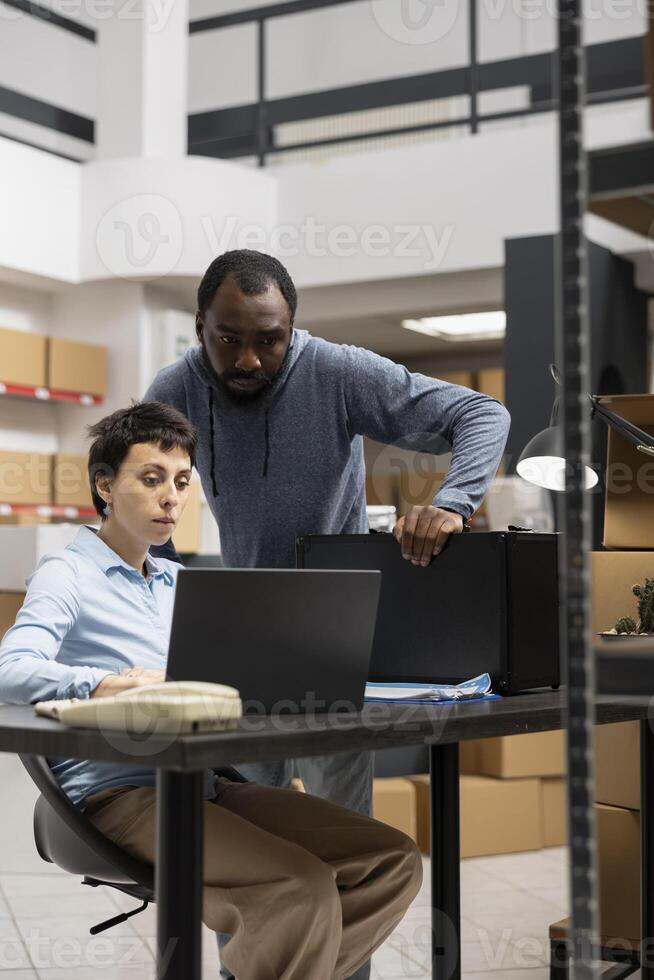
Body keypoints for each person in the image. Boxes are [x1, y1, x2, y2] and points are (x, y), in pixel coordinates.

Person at [145, 250, 510, 978]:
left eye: (269, 338)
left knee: (348, 846)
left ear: (293, 327)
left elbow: (483, 413)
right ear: (200, 326)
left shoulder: (338, 372)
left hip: (339, 637)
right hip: (243, 637)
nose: (249, 358)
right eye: (229, 338)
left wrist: (451, 503)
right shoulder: (175, 388)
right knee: (248, 847)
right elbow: (135, 482)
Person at [0, 401, 422, 980]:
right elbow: (12, 669)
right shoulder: (66, 573)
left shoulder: (180, 583)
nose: (171, 497)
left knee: (390, 860)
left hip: (202, 784)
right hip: (120, 795)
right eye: (150, 480)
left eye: (180, 482)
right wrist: (106, 682)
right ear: (104, 485)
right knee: (301, 887)